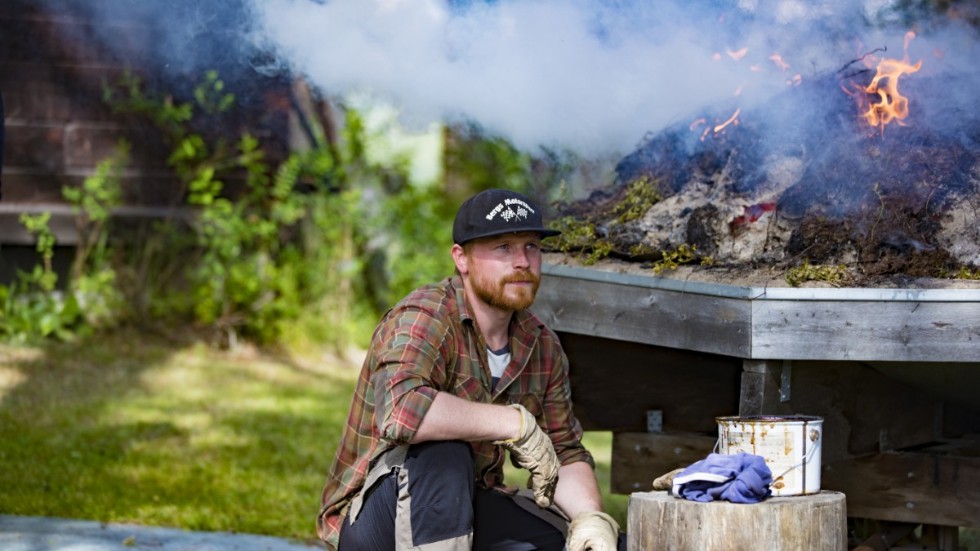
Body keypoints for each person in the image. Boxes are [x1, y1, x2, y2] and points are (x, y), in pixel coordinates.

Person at [316, 188, 624, 551]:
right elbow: (402, 412)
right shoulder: (425, 316)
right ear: (461, 259)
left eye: (531, 247)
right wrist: (515, 423)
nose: (522, 261)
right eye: (503, 248)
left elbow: (565, 450)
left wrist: (591, 518)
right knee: (444, 453)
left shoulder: (541, 345)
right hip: (376, 519)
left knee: (577, 542)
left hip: (464, 511)